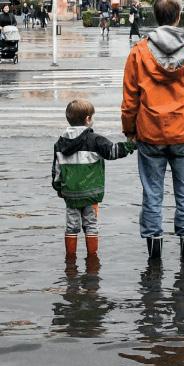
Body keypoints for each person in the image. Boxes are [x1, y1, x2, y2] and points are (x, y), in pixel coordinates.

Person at [121, 0, 184, 261]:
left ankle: (154, 252)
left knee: (152, 194)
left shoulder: (138, 53)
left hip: (150, 134)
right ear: (178, 17)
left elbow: (130, 99)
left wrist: (129, 130)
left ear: (155, 16)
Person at [52, 100, 136, 259]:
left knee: (71, 227)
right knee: (91, 225)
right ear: (88, 119)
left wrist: (59, 189)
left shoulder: (60, 143)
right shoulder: (95, 140)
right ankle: (92, 258)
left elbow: (56, 170)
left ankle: (71, 259)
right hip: (91, 193)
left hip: (70, 194)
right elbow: (113, 152)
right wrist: (131, 144)